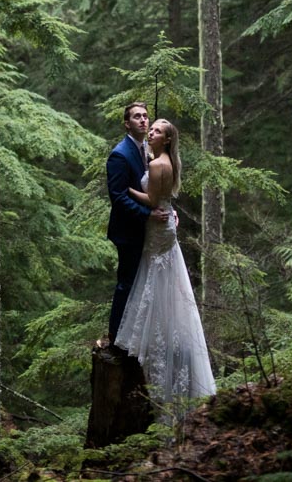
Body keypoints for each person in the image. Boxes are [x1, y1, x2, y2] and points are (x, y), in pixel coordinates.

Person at [114, 118, 216, 416]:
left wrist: (127, 190)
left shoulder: (160, 164)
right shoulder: (158, 158)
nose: (151, 131)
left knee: (156, 277)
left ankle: (155, 335)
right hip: (163, 223)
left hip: (158, 227)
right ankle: (153, 331)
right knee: (157, 275)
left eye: (157, 130)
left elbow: (152, 199)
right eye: (150, 127)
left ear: (167, 139)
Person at [106, 102, 169, 345]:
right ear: (127, 123)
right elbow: (118, 197)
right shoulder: (120, 154)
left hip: (148, 230)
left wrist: (167, 210)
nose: (143, 120)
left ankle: (136, 337)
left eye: (145, 116)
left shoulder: (148, 150)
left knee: (145, 284)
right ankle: (115, 339)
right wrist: (147, 214)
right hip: (129, 231)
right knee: (127, 284)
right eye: (136, 117)